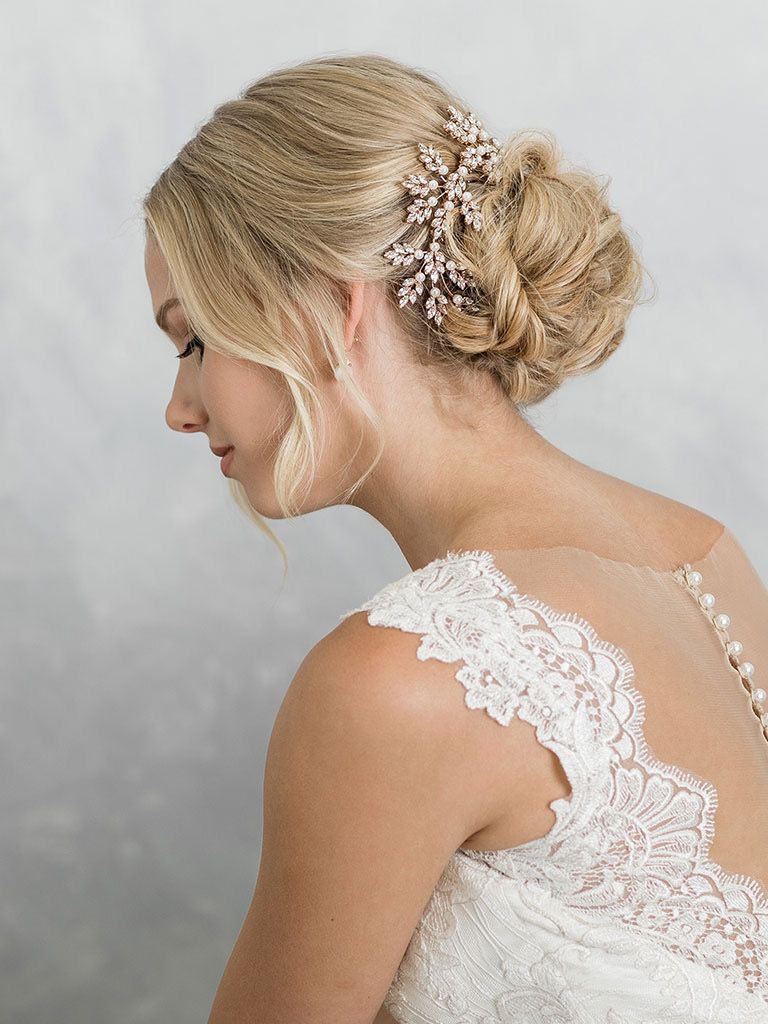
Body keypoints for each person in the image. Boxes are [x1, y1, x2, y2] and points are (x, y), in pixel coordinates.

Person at [142, 53, 768, 1023]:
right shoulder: (707, 554)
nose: (180, 409)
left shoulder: (401, 680)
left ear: (328, 311)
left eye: (195, 340)